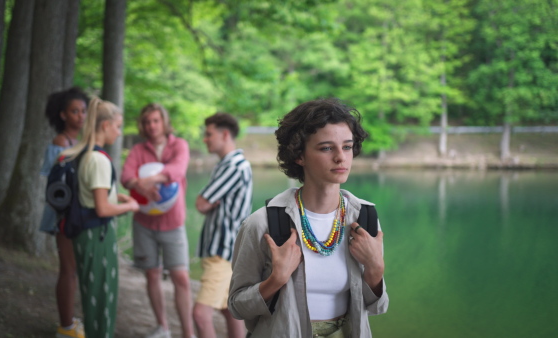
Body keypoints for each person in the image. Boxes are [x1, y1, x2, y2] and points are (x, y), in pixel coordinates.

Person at [228, 98, 389, 337]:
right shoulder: (262, 223)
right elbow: (237, 306)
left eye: (347, 146)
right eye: (326, 148)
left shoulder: (364, 217)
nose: (340, 157)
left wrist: (376, 269)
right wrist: (276, 280)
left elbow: (377, 307)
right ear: (299, 155)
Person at [60, 97, 140, 338]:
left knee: (93, 295)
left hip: (89, 236)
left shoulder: (86, 155)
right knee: (102, 299)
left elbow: (96, 197)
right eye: (117, 126)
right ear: (105, 126)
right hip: (97, 237)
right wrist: (131, 206)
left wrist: (120, 198)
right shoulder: (99, 160)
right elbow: (102, 208)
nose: (118, 132)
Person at [121, 103, 195, 338]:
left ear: (164, 122)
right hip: (144, 222)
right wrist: (138, 184)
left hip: (173, 222)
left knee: (181, 276)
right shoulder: (138, 150)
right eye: (147, 122)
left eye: (156, 120)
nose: (151, 126)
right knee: (152, 274)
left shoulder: (179, 145)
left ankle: (188, 332)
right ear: (142, 125)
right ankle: (163, 327)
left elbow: (177, 170)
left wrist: (148, 180)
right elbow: (126, 175)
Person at [193, 113, 252, 338]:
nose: (205, 139)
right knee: (230, 311)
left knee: (200, 313)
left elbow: (201, 203)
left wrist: (208, 202)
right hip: (229, 252)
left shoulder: (234, 166)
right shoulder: (228, 164)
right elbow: (205, 203)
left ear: (224, 134)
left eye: (209, 134)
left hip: (222, 251)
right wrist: (208, 202)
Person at [39, 87, 89, 338]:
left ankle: (69, 321)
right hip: (64, 216)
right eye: (74, 111)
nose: (80, 116)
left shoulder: (80, 141)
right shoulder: (61, 143)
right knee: (68, 269)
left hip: (78, 215)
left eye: (83, 111)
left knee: (74, 269)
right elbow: (55, 185)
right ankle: (65, 327)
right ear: (62, 115)